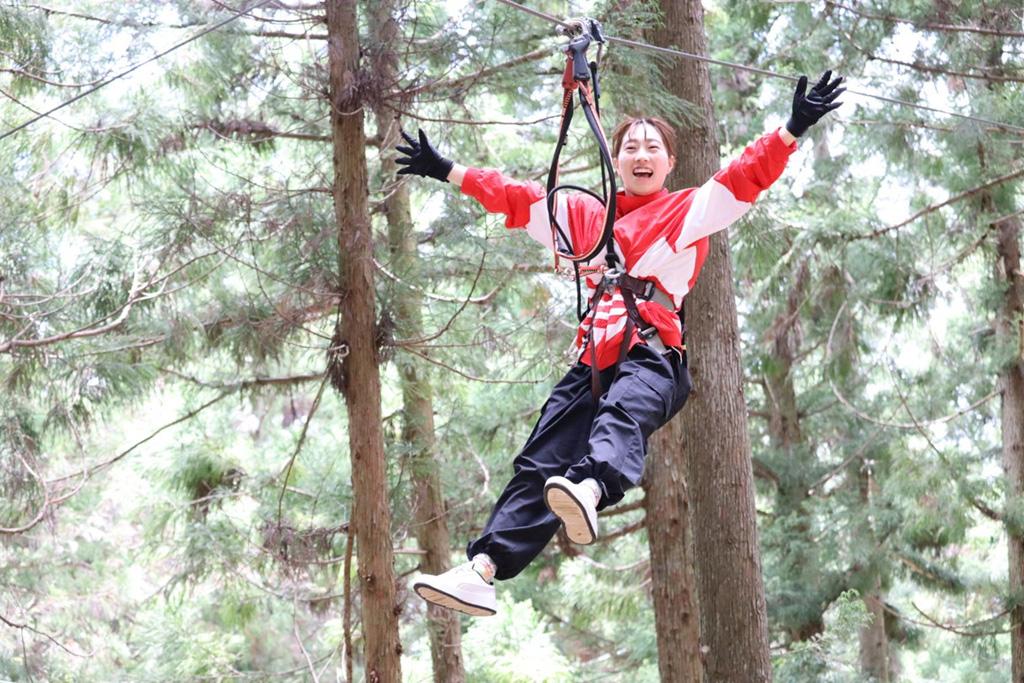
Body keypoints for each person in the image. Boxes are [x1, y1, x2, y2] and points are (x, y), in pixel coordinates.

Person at [395, 71, 844, 617]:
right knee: (540, 463)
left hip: (652, 354)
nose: (641, 154)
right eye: (630, 146)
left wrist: (794, 126)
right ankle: (482, 570)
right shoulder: (587, 216)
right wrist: (446, 169)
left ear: (669, 163)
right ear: (617, 160)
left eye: (652, 147)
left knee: (623, 413)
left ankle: (591, 485)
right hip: (592, 359)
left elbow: (743, 177)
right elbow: (516, 199)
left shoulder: (687, 211)